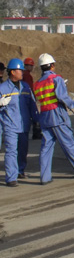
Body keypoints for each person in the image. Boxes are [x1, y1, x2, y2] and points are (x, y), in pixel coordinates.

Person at [33, 53, 74, 184]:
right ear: (51, 66)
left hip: (44, 116)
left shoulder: (37, 84)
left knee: (46, 148)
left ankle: (45, 177)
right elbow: (61, 96)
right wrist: (73, 103)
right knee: (68, 143)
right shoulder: (56, 79)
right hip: (57, 115)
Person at [0, 58, 39, 186]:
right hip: (10, 125)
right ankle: (11, 178)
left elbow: (32, 105)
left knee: (23, 150)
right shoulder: (3, 88)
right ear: (12, 72)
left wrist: (36, 120)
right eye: (20, 70)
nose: (22, 72)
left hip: (24, 126)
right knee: (11, 151)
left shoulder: (25, 87)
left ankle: (20, 170)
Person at [22, 57, 42, 140]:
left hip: (23, 98)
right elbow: (29, 88)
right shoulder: (27, 75)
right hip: (29, 97)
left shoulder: (22, 74)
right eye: (31, 66)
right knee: (35, 115)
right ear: (27, 66)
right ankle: (36, 133)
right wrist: (34, 97)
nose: (32, 67)